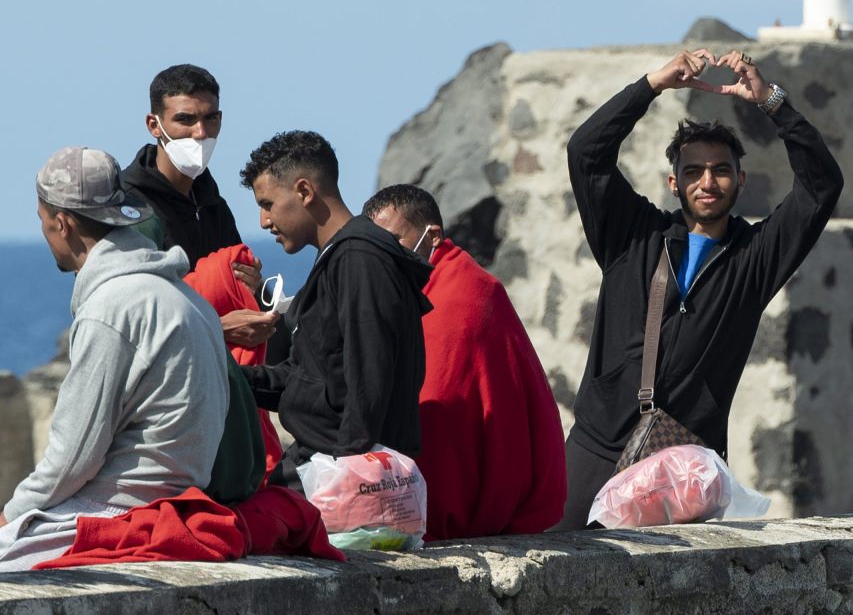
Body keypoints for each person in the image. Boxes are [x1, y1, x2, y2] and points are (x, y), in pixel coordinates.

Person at [555, 49, 844, 530]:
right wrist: (653, 84)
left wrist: (771, 101)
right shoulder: (632, 235)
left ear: (740, 181)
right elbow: (585, 153)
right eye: (693, 171)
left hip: (679, 462)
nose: (708, 182)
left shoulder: (755, 259)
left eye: (721, 170)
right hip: (596, 445)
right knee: (555, 572)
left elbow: (821, 187)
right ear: (674, 182)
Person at [0, 147, 229, 570]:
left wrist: (9, 516)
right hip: (182, 502)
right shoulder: (187, 298)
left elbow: (73, 458)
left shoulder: (113, 307)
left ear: (62, 223)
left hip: (118, 510)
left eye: (43, 222)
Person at [364, 184, 567, 539]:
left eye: (394, 241)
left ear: (433, 236)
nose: (384, 256)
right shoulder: (420, 287)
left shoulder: (463, 292)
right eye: (375, 246)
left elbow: (439, 408)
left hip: (458, 519)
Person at [238, 131, 432, 489]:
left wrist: (346, 482)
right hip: (318, 463)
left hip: (336, 472)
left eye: (267, 204)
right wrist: (230, 377)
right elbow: (311, 377)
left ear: (304, 191)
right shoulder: (339, 257)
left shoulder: (359, 259)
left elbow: (369, 381)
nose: (264, 221)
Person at [121, 63, 276, 349]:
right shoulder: (128, 207)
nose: (201, 132)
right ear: (154, 125)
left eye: (210, 118)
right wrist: (220, 328)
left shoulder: (212, 201)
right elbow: (130, 317)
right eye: (185, 119)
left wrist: (253, 286)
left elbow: (236, 288)